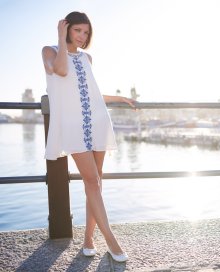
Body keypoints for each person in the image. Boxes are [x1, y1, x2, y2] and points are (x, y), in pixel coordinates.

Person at [41, 11, 135, 262]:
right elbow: (60, 71)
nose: (82, 37)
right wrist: (61, 39)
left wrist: (120, 98)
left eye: (86, 32)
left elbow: (92, 92)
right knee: (92, 180)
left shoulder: (88, 58)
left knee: (95, 181)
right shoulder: (50, 51)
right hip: (72, 126)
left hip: (97, 121)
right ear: (67, 28)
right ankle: (112, 241)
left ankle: (88, 239)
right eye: (77, 31)